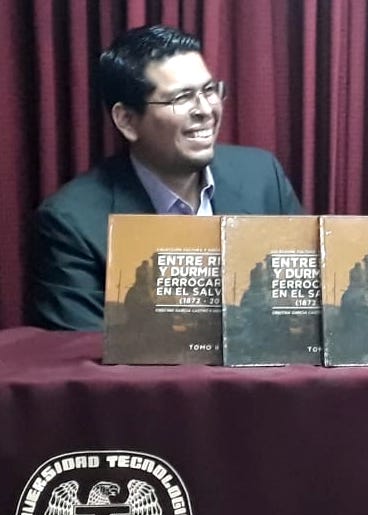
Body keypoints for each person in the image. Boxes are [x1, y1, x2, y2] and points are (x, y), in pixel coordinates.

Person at [28, 25, 302, 331]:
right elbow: (81, 349)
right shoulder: (72, 223)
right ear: (127, 120)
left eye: (209, 91)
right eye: (182, 98)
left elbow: (302, 307)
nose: (205, 111)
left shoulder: (262, 176)